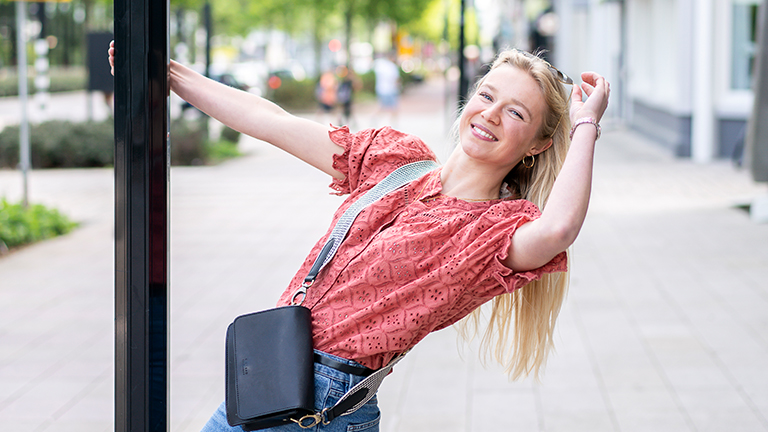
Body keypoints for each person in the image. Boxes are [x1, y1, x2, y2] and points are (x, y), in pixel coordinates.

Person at [109, 42, 610, 431]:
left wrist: (585, 125)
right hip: (274, 373)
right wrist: (167, 73)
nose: (491, 115)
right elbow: (271, 122)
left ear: (539, 144)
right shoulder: (396, 160)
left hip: (325, 404)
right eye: (486, 95)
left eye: (516, 113)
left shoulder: (493, 232)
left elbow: (559, 228)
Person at [372, 52, 401, 126]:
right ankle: (394, 124)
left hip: (381, 89)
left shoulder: (381, 65)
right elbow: (396, 79)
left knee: (382, 106)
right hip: (391, 89)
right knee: (393, 107)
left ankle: (374, 118)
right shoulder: (392, 67)